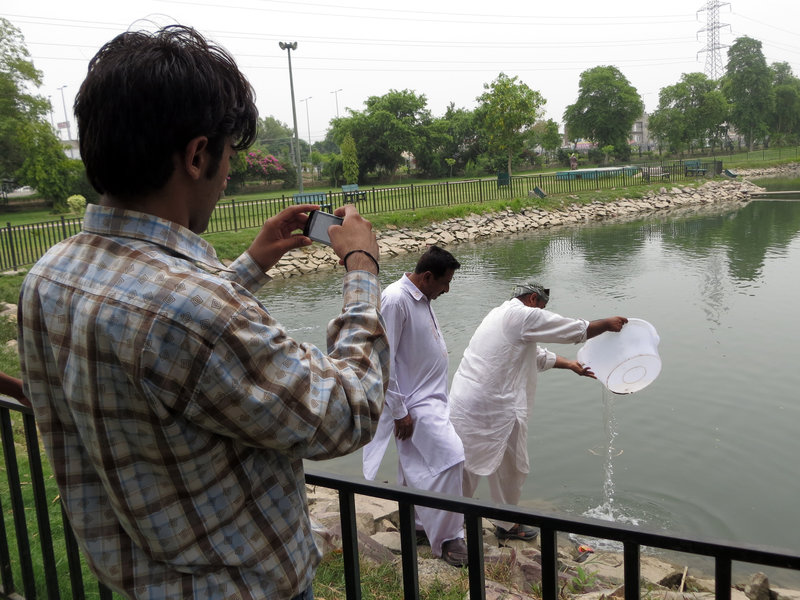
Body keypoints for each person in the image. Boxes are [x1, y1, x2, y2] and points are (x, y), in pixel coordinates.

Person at [17, 25, 389, 600]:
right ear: (196, 154)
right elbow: (347, 411)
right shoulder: (195, 313)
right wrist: (362, 267)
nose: (227, 176)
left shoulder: (50, 274)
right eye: (227, 158)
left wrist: (251, 264)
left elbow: (160, 342)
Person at [449, 282, 627, 541]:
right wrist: (606, 324)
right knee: (511, 468)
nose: (542, 313)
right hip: (494, 407)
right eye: (542, 307)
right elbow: (573, 330)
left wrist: (571, 365)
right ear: (533, 299)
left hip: (469, 402)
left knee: (468, 465)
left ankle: (449, 519)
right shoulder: (522, 315)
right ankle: (499, 526)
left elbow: (533, 355)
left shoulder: (500, 315)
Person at [361, 246, 468, 567]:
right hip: (412, 402)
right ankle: (449, 538)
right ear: (426, 276)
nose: (447, 289)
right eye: (445, 282)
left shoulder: (421, 296)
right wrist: (399, 409)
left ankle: (420, 524)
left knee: (414, 464)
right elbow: (384, 358)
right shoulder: (396, 300)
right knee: (452, 458)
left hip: (430, 398)